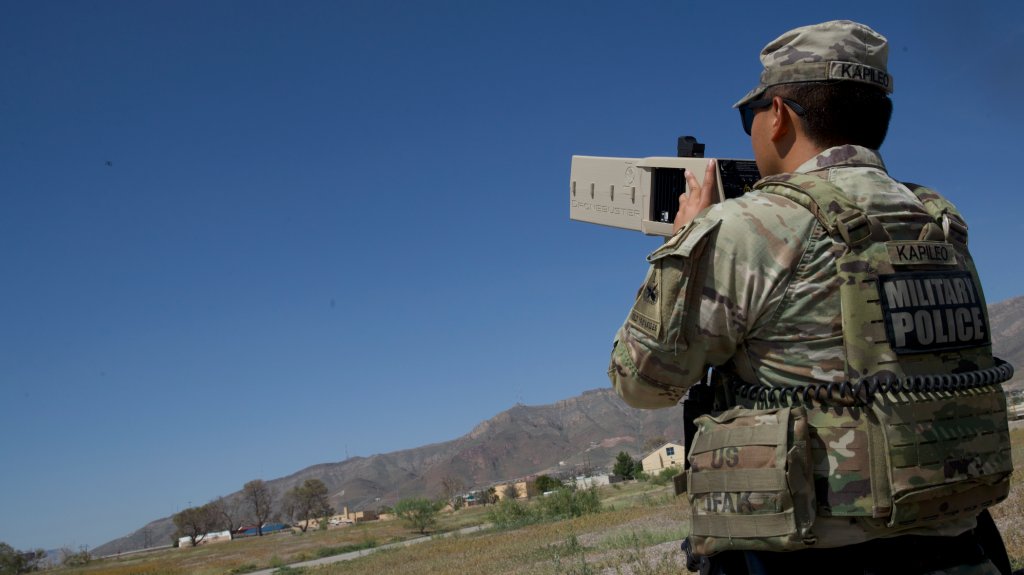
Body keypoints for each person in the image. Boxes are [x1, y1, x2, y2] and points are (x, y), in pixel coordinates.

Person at [608, 20, 1014, 575]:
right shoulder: (937, 219)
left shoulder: (747, 227)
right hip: (963, 551)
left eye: (751, 114)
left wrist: (686, 245)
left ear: (778, 116)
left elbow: (642, 380)